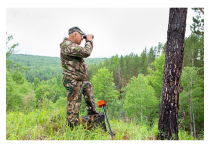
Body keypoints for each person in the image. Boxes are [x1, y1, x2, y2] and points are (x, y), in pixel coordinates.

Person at [60, 26, 99, 129]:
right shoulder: (67, 45)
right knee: (74, 107)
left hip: (78, 80)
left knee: (88, 86)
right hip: (72, 81)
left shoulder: (71, 45)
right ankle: (72, 130)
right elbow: (86, 52)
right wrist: (89, 40)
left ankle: (92, 113)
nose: (82, 38)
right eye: (82, 36)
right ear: (75, 34)